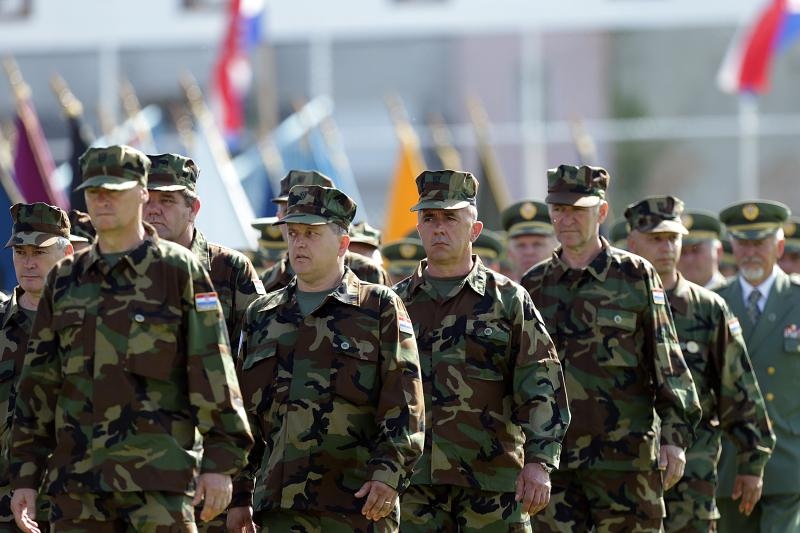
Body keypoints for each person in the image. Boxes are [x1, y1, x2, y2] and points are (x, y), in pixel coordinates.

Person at [9, 145, 253, 532]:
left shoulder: (178, 271)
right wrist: (24, 475)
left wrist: (222, 467)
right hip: (77, 492)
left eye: (115, 191)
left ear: (141, 193)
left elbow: (213, 373)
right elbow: (39, 385)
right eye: (95, 192)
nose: (103, 202)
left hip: (158, 490)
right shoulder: (66, 279)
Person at [228, 184, 424, 532]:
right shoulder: (263, 314)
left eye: (312, 234)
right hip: (278, 508)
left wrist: (387, 476)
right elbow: (244, 416)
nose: (299, 243)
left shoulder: (378, 307)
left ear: (343, 244)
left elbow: (405, 403)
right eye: (293, 233)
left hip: (358, 505)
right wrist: (240, 494)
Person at [521, 164, 701, 532]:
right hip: (556, 466)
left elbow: (667, 361)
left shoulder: (636, 276)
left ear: (601, 212)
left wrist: (675, 439)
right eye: (559, 209)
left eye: (578, 210)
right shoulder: (533, 285)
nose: (566, 219)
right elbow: (521, 375)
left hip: (626, 464)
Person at [393, 169, 570, 531]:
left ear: (474, 229)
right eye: (430, 218)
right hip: (414, 485)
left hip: (493, 483)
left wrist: (539, 461)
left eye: (450, 218)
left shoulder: (508, 300)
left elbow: (540, 381)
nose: (439, 227)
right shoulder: (393, 303)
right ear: (419, 228)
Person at [625, 196, 775, 533]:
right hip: (620, 473)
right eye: (655, 239)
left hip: (692, 475)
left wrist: (753, 462)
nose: (666, 248)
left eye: (673, 238)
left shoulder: (708, 308)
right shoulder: (609, 307)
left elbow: (738, 388)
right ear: (632, 242)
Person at [715, 200, 800, 533]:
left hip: (789, 459)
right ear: (730, 247)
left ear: (779, 246)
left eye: (759, 242)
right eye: (743, 243)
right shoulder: (715, 302)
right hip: (729, 462)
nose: (750, 252)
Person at [0, 203, 75, 532]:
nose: (28, 263)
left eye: (39, 252)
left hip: (63, 500)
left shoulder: (90, 324)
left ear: (67, 252)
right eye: (20, 251)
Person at [144, 152, 265, 347]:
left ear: (193, 209)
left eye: (167, 200)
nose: (153, 209)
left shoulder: (230, 269)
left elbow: (259, 349)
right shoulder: (127, 266)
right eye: (147, 200)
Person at [261, 170, 389, 291]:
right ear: (278, 218)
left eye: (311, 230)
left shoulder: (368, 273)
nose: (298, 221)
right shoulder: (266, 281)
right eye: (288, 212)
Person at [501, 200, 558, 281]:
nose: (529, 252)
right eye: (520, 245)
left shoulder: (572, 291)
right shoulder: (498, 293)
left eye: (537, 244)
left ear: (555, 249)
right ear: (509, 253)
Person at [677, 210, 727, 290]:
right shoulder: (666, 297)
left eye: (696, 250)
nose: (689, 259)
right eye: (682, 252)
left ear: (718, 252)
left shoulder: (739, 295)